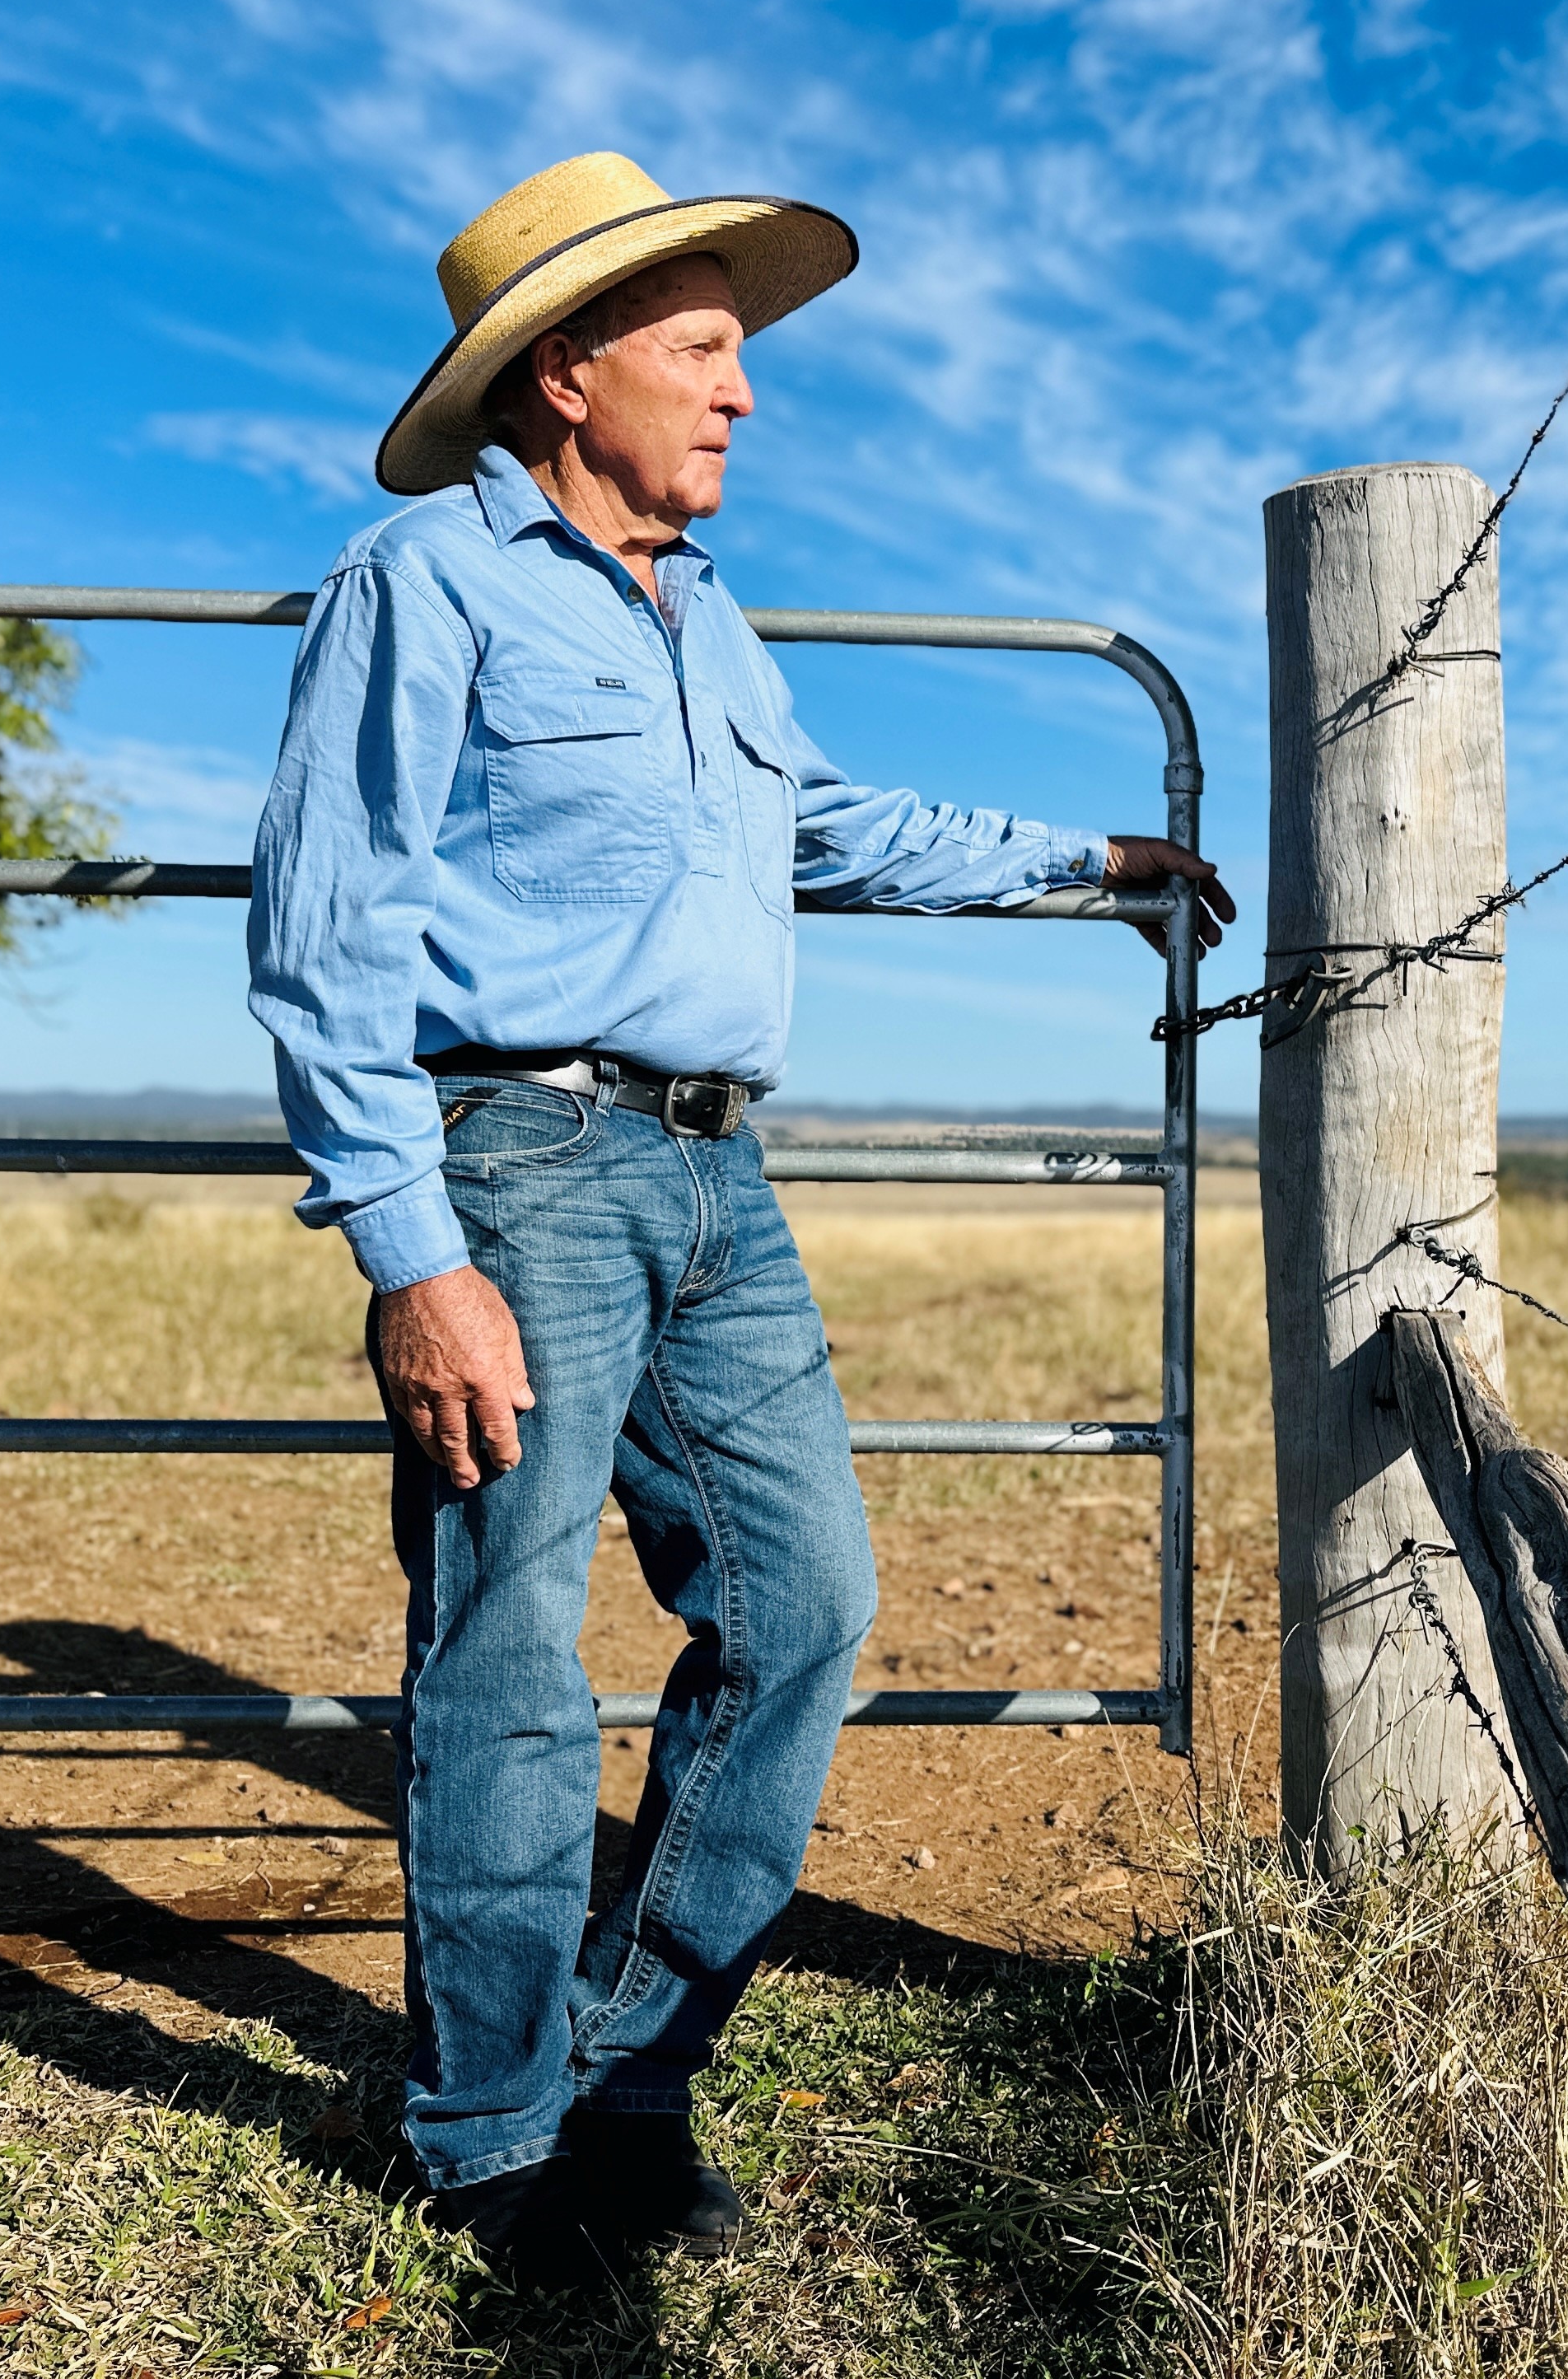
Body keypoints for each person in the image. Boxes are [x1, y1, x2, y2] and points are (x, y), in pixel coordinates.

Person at [245, 151, 1230, 2280]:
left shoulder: (717, 622)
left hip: (719, 1177)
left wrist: (1092, 867)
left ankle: (628, 2070)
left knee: (805, 1608)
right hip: (518, 1166)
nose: (744, 394)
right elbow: (328, 933)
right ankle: (495, 2138)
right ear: (564, 371)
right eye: (703, 348)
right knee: (507, 1659)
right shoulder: (425, 583)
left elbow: (836, 831)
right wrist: (413, 1258)